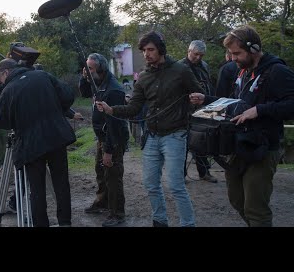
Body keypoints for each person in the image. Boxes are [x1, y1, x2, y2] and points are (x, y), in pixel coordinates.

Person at [190, 25, 294, 227]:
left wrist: (259, 110)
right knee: (237, 200)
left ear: (253, 49)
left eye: (236, 53)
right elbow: (234, 103)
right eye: (230, 53)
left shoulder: (277, 71)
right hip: (239, 146)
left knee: (256, 209)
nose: (233, 58)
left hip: (262, 148)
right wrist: (207, 99)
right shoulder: (243, 72)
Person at [96, 31, 203, 227]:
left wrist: (195, 101)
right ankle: (160, 221)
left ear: (161, 49)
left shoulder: (181, 70)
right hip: (152, 136)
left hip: (175, 135)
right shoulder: (143, 77)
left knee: (175, 185)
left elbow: (199, 94)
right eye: (144, 50)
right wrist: (112, 109)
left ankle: (188, 223)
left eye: (151, 49)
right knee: (151, 184)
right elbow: (134, 108)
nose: (146, 54)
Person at [0, 58, 76, 227]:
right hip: (56, 136)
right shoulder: (42, 75)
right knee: (61, 183)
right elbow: (68, 96)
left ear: (5, 72)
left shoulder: (7, 91)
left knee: (36, 189)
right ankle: (65, 222)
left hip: (31, 145)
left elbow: (3, 123)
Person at [79, 53, 130, 227]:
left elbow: (115, 123)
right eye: (87, 68)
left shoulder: (113, 89)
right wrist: (84, 76)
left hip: (113, 137)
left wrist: (109, 150)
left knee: (113, 174)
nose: (88, 71)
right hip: (102, 135)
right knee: (100, 171)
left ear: (100, 68)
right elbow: (85, 92)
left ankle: (117, 214)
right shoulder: (97, 81)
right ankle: (102, 202)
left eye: (90, 68)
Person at [179, 40, 218, 183]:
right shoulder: (179, 67)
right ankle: (181, 175)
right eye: (196, 54)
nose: (199, 58)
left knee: (202, 141)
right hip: (184, 112)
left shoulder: (205, 66)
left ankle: (204, 172)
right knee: (182, 143)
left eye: (201, 55)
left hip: (203, 111)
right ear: (189, 51)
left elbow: (209, 86)